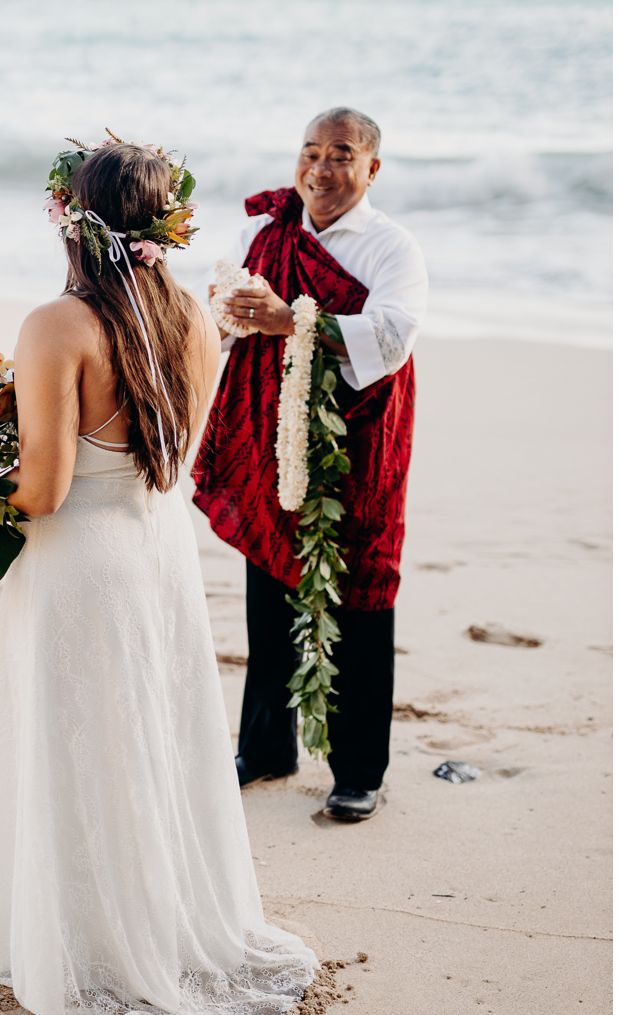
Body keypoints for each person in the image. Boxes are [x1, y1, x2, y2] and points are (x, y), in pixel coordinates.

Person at [0, 141, 317, 1015]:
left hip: (79, 568)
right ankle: (158, 922)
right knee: (150, 747)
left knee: (80, 757)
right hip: (158, 558)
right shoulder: (191, 316)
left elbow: (41, 489)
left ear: (73, 220)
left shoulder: (58, 325)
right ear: (164, 222)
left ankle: (88, 940)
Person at [193, 107, 428, 820]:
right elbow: (226, 327)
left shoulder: (392, 248)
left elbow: (390, 337)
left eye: (340, 154)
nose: (320, 168)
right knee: (268, 585)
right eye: (310, 151)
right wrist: (233, 312)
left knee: (360, 591)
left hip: (362, 438)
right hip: (267, 429)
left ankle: (358, 769)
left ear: (370, 168)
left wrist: (289, 319)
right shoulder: (262, 233)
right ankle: (266, 746)